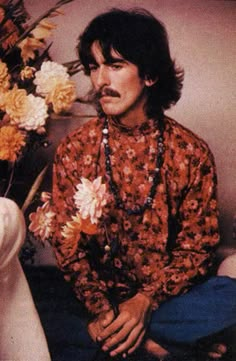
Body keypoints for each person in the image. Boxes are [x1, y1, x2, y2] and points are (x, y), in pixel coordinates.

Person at [50, 8, 236, 360]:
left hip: (168, 302)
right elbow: (67, 246)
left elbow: (198, 248)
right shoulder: (75, 149)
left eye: (115, 65)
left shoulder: (190, 152)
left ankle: (125, 343)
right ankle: (155, 346)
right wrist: (103, 311)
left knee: (229, 295)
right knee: (33, 308)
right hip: (96, 303)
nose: (100, 80)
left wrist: (144, 302)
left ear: (150, 74)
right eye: (93, 66)